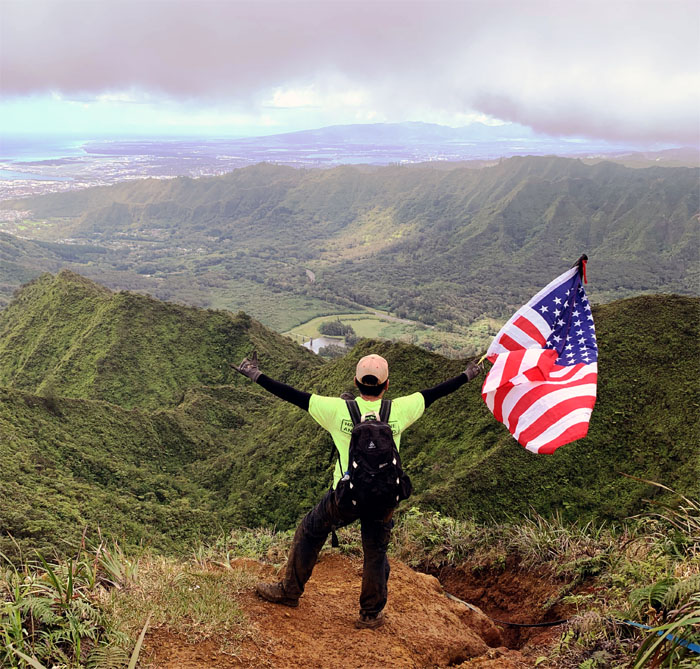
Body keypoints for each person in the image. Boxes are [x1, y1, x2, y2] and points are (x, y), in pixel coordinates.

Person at [234, 351, 483, 629]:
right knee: (375, 551)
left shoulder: (336, 410)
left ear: (355, 382)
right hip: (385, 498)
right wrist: (468, 374)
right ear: (386, 385)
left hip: (345, 497)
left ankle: (289, 592)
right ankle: (370, 614)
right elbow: (435, 392)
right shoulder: (399, 409)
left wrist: (255, 374)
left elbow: (292, 394)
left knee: (311, 530)